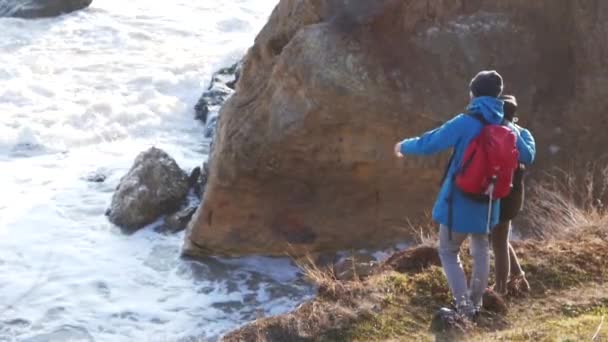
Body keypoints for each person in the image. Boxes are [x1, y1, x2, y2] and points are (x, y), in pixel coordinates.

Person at [394, 71, 535, 319]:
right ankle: (476, 303)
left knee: (448, 251)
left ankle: (464, 308)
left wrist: (403, 146)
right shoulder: (506, 124)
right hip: (489, 200)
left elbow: (430, 143)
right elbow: (526, 156)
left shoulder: (465, 121)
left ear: (474, 93)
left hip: (459, 199)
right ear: (497, 95)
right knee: (480, 247)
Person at [492, 95, 535, 295]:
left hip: (502, 191)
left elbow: (526, 156)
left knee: (498, 241)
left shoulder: (502, 132)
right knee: (500, 237)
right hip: (514, 191)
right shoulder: (524, 133)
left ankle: (501, 291)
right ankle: (520, 279)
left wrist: (510, 129)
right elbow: (529, 157)